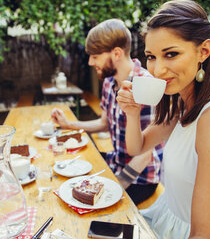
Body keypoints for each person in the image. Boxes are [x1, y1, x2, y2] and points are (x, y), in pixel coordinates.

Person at [116, 0, 210, 239]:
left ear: (204, 51)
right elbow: (137, 147)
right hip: (161, 218)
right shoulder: (183, 104)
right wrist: (132, 112)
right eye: (151, 57)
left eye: (171, 54)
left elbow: (206, 235)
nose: (157, 70)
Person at [51, 19, 163, 205]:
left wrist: (116, 185)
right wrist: (68, 125)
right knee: (68, 173)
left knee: (87, 209)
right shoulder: (110, 81)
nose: (90, 62)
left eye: (95, 56)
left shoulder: (145, 86)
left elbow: (145, 154)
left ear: (116, 53)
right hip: (116, 162)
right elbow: (104, 122)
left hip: (140, 178)